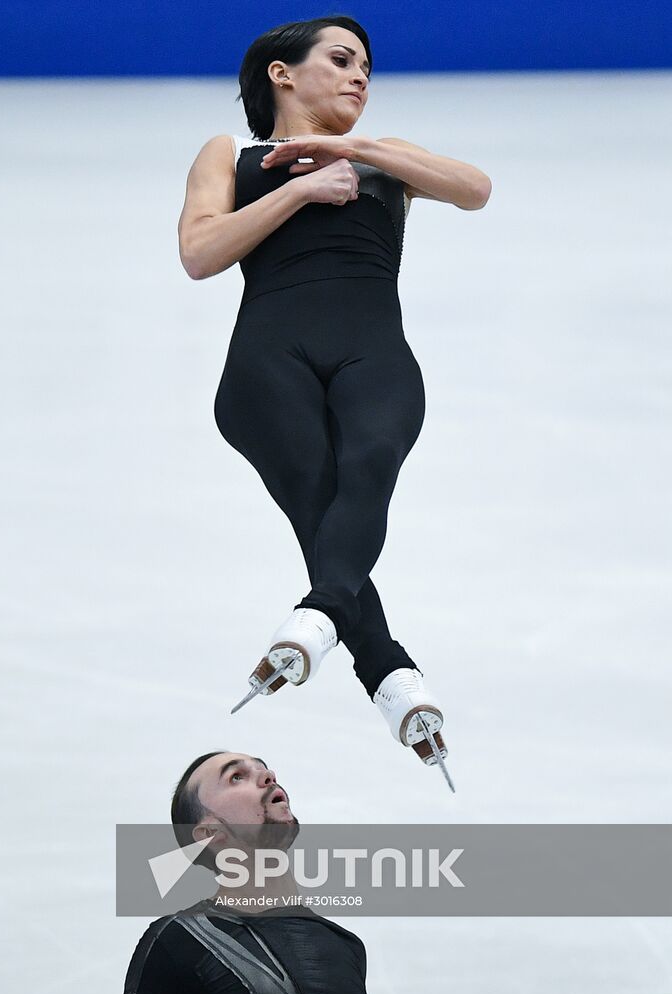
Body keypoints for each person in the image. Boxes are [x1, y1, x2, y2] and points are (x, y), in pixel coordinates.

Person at [178, 16, 491, 780]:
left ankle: (361, 654)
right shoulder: (230, 155)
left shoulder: (388, 157)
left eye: (368, 69)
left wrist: (351, 150)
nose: (360, 78)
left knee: (369, 467)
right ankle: (379, 663)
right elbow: (199, 252)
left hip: (374, 354)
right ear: (283, 74)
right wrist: (305, 189)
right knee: (323, 501)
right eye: (343, 60)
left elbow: (475, 190)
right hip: (266, 364)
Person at [122, 751, 368, 994]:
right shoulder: (179, 942)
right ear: (209, 833)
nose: (268, 776)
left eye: (263, 768)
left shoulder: (343, 945)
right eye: (236, 777)